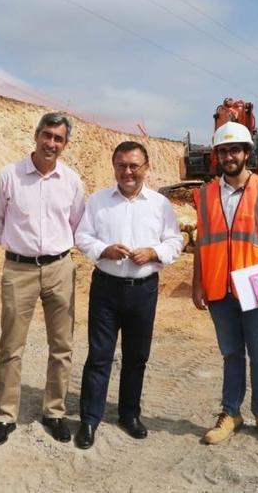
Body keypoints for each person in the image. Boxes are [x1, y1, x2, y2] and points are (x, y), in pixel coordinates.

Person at [73, 141, 182, 449]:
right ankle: (89, 419)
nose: (128, 172)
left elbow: (174, 240)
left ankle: (129, 415)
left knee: (136, 357)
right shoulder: (98, 201)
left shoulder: (160, 204)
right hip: (106, 288)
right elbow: (82, 236)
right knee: (99, 356)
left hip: (143, 291)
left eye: (134, 165)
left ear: (146, 168)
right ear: (114, 167)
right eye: (121, 165)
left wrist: (154, 252)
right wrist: (102, 250)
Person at [0, 112, 85, 446]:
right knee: (11, 345)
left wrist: (52, 253)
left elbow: (76, 224)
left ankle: (54, 411)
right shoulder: (9, 176)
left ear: (65, 144)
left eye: (58, 138)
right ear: (36, 135)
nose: (51, 143)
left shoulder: (72, 181)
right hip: (19, 270)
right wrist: (21, 250)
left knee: (62, 346)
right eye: (47, 135)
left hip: (60, 268)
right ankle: (5, 416)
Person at [191, 121, 258, 445]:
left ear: (247, 152)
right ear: (217, 156)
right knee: (231, 354)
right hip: (219, 288)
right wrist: (196, 283)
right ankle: (230, 412)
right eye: (223, 151)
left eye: (235, 150)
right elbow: (202, 243)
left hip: (256, 289)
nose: (229, 156)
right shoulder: (204, 195)